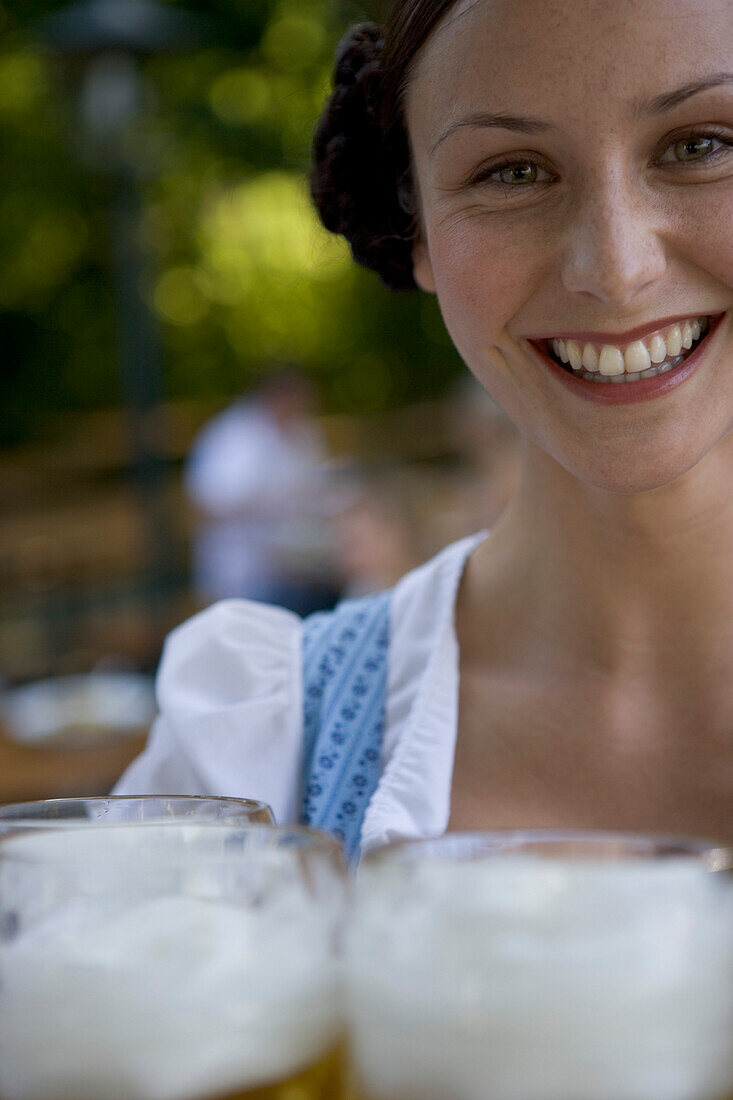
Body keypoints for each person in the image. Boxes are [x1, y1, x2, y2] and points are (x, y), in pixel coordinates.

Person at [116, 0, 733, 860]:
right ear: (418, 235)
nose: (616, 271)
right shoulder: (258, 755)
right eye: (512, 172)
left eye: (701, 146)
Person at [184, 368, 340, 618]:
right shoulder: (234, 434)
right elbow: (211, 501)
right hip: (242, 573)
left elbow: (320, 487)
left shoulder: (304, 433)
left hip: (298, 569)